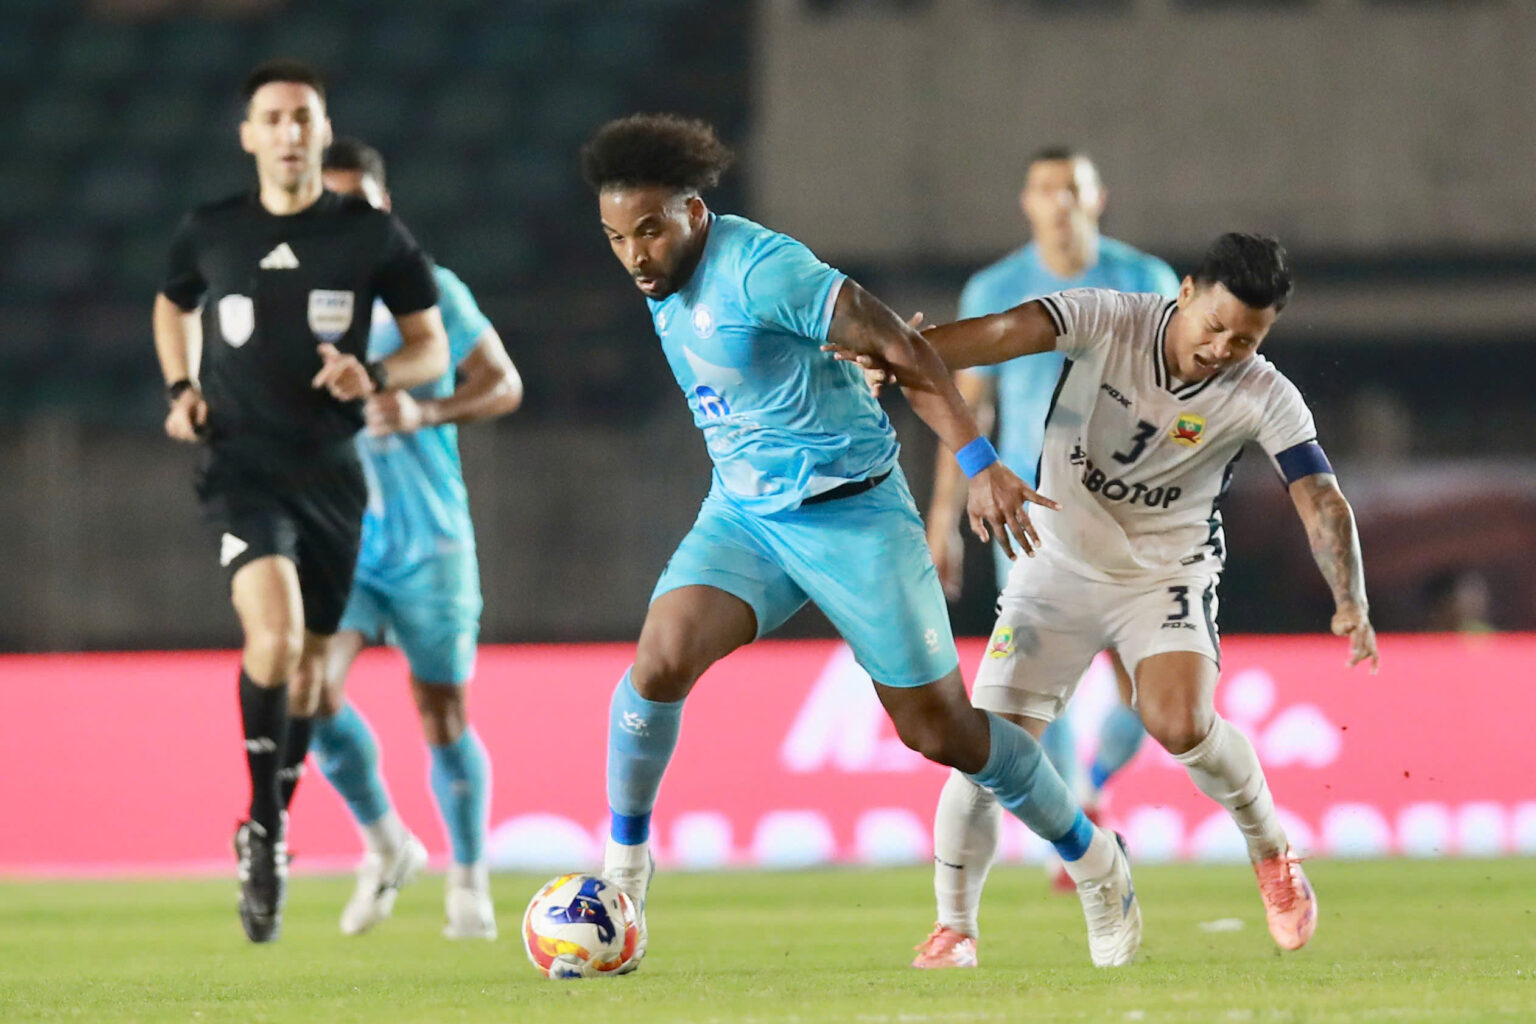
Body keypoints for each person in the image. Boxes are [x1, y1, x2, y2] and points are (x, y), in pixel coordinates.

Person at [581, 113, 1145, 973]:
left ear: (694, 211)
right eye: (617, 238)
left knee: (942, 731)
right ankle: (625, 869)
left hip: (856, 518)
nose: (635, 256)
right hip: (745, 518)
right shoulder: (663, 276)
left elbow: (900, 345)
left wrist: (980, 462)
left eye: (650, 230)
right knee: (657, 663)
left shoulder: (761, 268)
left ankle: (1094, 862)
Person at [831, 233, 1379, 962]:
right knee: (988, 749)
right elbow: (1001, 333)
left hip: (1165, 574)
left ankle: (1272, 853)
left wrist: (1350, 597)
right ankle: (955, 927)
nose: (1222, 349)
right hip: (1054, 564)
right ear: (1186, 292)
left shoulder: (1263, 392)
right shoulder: (1112, 319)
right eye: (1215, 327)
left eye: (1245, 340)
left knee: (1180, 723)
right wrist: (902, 349)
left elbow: (1320, 497)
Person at [154, 60, 448, 943]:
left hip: (332, 475)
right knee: (275, 640)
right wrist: (182, 388)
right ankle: (268, 830)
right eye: (274, 117)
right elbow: (173, 305)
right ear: (249, 134)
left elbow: (432, 348)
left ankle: (265, 826)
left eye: (303, 117)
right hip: (241, 468)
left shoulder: (371, 235)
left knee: (313, 680)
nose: (289, 132)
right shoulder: (211, 228)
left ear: (323, 131)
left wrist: (377, 373)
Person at [923, 148, 1179, 912]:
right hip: (1033, 518)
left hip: (1132, 514)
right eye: (1045, 189)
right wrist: (943, 517)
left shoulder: (1147, 279)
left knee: (1151, 691)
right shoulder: (996, 289)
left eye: (1072, 188)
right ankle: (1076, 822)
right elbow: (968, 409)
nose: (1059, 201)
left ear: (1098, 198)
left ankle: (1090, 787)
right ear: (1026, 203)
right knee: (1042, 688)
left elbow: (1180, 397)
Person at [293, 137, 523, 940]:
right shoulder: (294, 302)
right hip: (340, 542)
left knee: (441, 715)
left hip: (430, 542)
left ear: (385, 207)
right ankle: (387, 842)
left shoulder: (431, 293)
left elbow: (503, 384)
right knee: (306, 693)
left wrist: (426, 410)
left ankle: (470, 880)